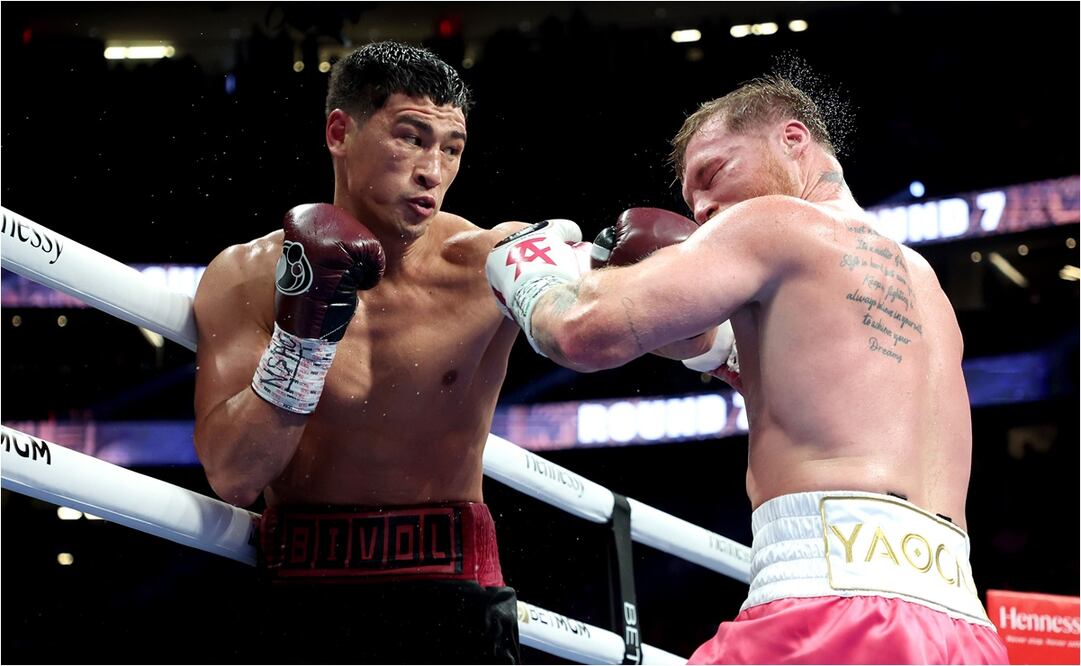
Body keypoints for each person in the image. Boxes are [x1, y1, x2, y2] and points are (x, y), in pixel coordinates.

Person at [485, 75, 1010, 664]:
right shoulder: (925, 284)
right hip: (964, 630)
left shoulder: (774, 222)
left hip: (830, 614)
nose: (704, 209)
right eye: (691, 202)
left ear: (792, 139)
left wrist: (536, 273)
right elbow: (785, 373)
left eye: (712, 173)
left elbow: (580, 331)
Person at [192, 41, 528, 664]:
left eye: (451, 148)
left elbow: (603, 334)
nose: (433, 170)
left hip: (451, 589)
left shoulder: (491, 263)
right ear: (340, 132)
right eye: (411, 137)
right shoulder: (243, 277)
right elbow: (234, 477)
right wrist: (305, 339)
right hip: (298, 594)